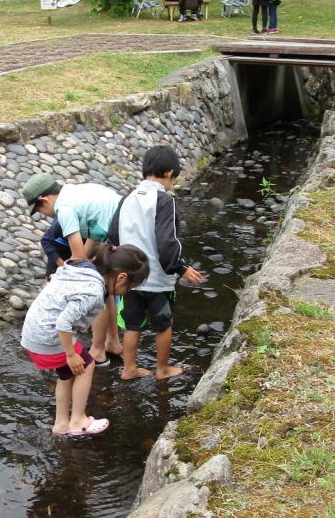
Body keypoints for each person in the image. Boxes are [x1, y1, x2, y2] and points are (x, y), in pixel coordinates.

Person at [21, 243, 149, 437]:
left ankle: (61, 425)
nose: (129, 291)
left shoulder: (81, 267)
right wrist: (71, 354)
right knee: (86, 364)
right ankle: (78, 419)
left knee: (67, 375)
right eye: (131, 286)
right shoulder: (93, 292)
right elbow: (63, 322)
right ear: (121, 277)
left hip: (33, 331)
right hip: (48, 336)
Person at [108, 146, 205, 381]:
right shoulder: (164, 200)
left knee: (133, 324)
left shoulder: (127, 199)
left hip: (130, 277)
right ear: (170, 172)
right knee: (163, 323)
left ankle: (128, 368)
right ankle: (163, 369)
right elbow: (167, 240)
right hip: (157, 279)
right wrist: (180, 268)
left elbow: (113, 236)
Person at [22, 173, 124, 363]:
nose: (45, 215)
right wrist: (82, 264)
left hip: (123, 234)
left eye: (40, 210)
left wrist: (62, 275)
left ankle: (97, 350)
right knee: (105, 286)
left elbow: (77, 257)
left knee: (97, 289)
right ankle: (112, 342)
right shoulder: (76, 191)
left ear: (44, 199)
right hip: (126, 228)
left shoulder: (64, 208)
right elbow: (95, 232)